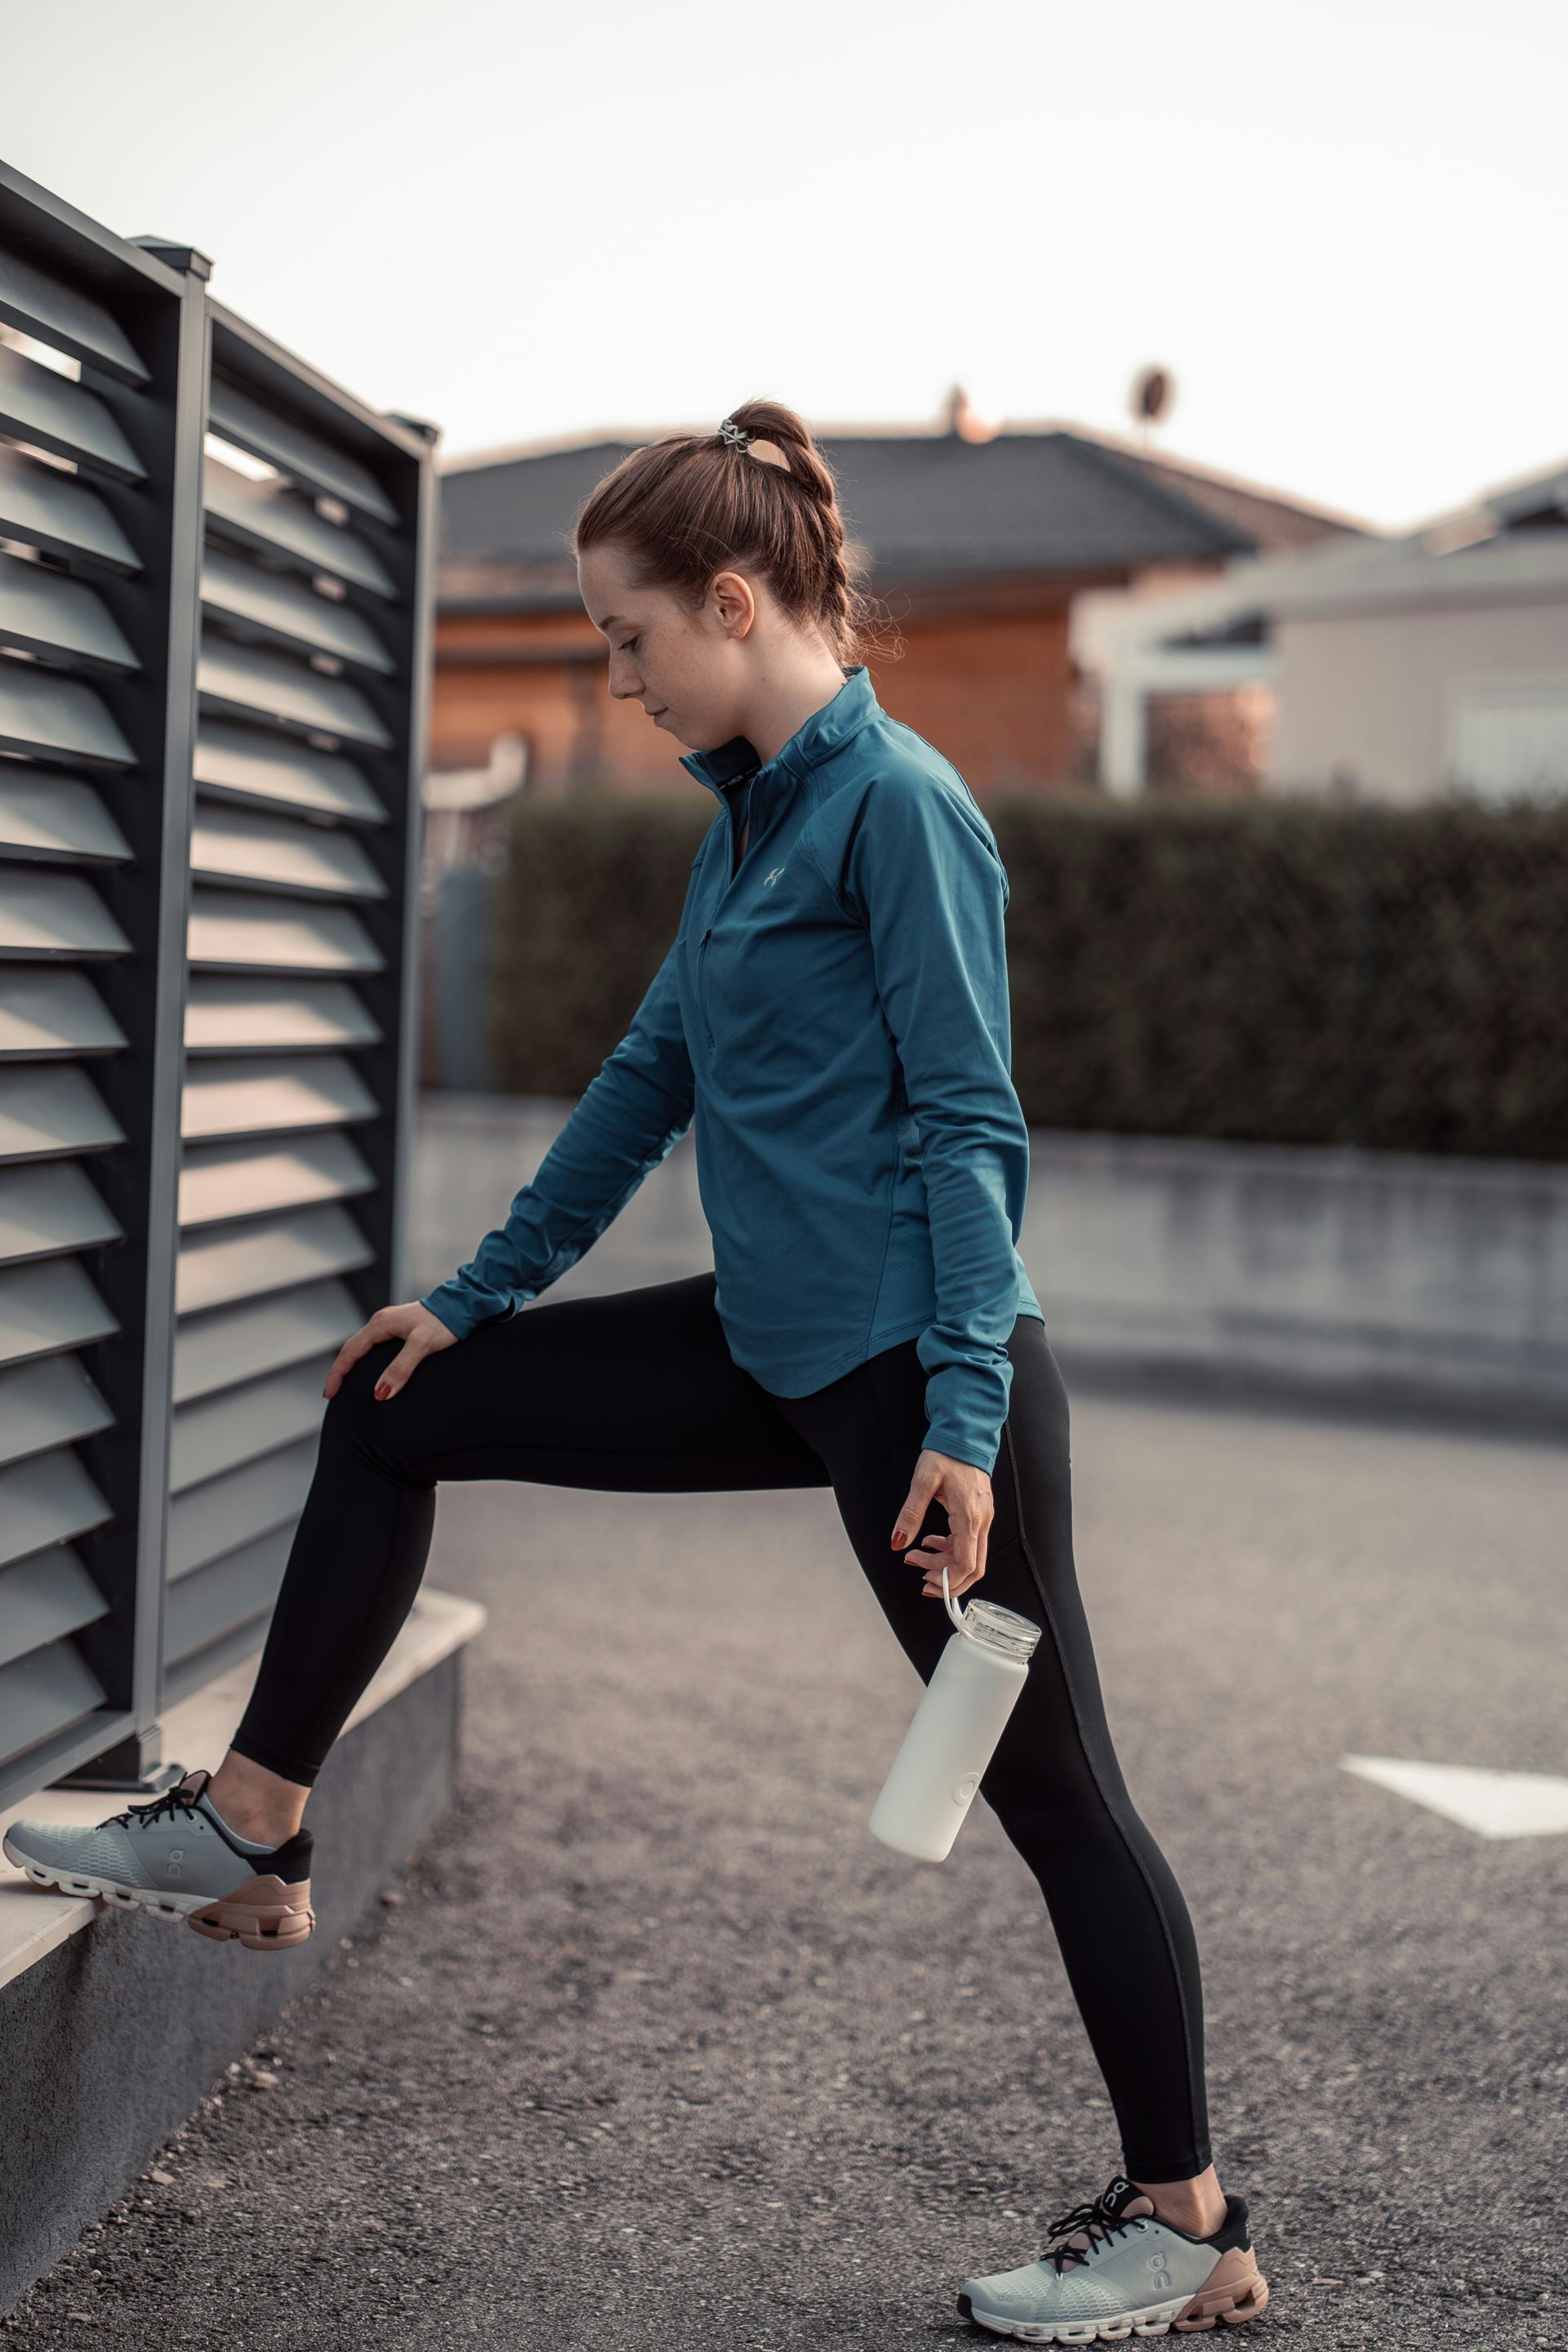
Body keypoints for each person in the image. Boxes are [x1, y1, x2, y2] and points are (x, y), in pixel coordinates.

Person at [4, 401, 1267, 2340]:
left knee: (1058, 1796)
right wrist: (477, 1294)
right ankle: (251, 1828)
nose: (614, 680)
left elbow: (969, 1129)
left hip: (924, 1379)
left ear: (736, 598)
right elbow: (646, 1081)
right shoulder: (752, 821)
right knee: (394, 1401)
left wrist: (961, 1428)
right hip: (768, 1348)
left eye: (626, 638)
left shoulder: (900, 806)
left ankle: (1188, 2224)